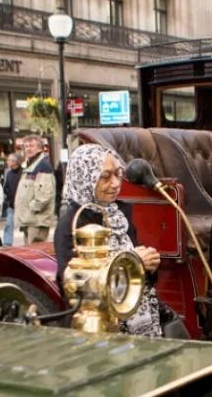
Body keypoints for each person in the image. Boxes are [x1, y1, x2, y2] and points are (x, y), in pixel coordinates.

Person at [55, 144, 165, 337]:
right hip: (102, 328)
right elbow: (75, 288)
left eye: (118, 174)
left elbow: (140, 267)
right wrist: (134, 263)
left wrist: (150, 264)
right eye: (105, 177)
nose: (115, 184)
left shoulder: (120, 212)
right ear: (85, 178)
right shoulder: (71, 225)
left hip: (140, 318)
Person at [14, 135, 57, 244]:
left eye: (31, 146)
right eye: (26, 146)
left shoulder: (43, 166)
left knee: (35, 251)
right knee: (29, 251)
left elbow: (45, 196)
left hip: (37, 220)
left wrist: (31, 210)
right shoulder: (30, 166)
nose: (28, 149)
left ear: (39, 148)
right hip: (30, 220)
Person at [2, 152, 22, 246]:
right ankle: (7, 243)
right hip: (11, 204)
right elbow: (5, 187)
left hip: (22, 204)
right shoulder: (8, 173)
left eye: (9, 160)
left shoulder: (23, 173)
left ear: (15, 161)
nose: (7, 162)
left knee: (26, 226)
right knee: (8, 224)